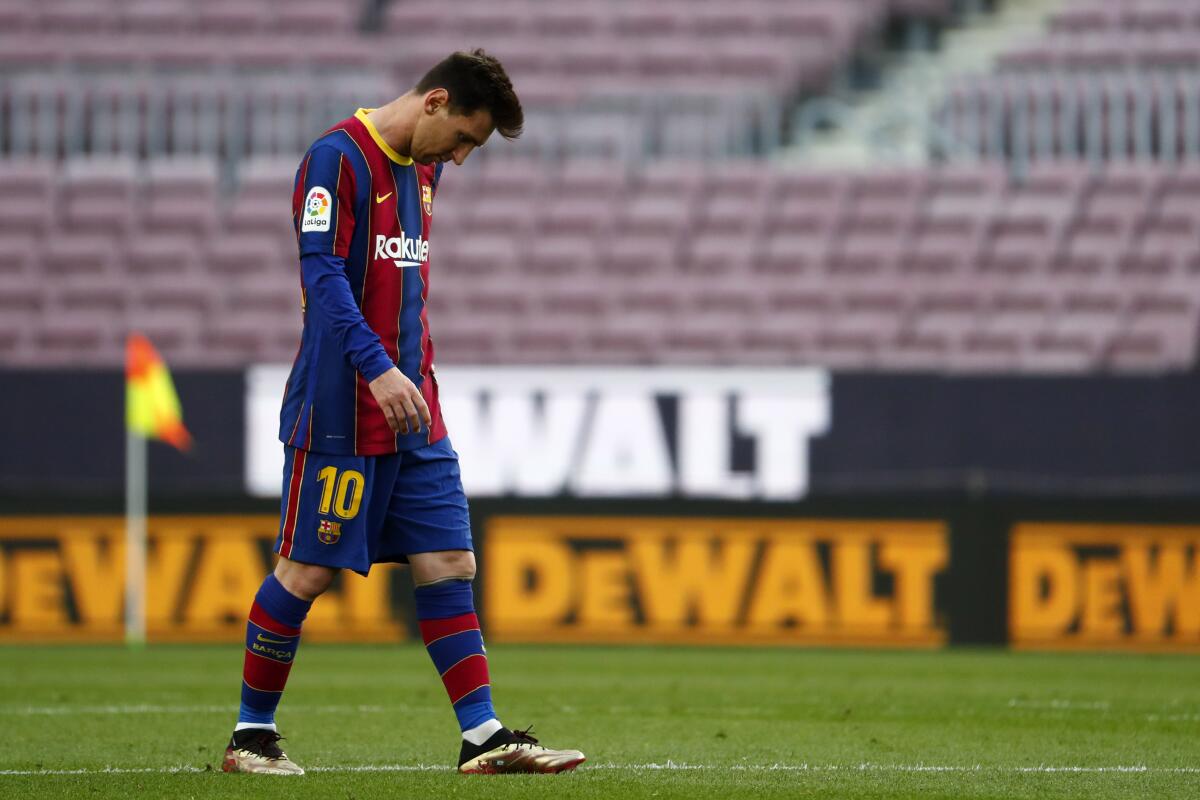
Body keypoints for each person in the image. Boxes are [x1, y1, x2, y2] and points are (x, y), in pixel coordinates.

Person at [221, 49, 585, 777]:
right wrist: (378, 367)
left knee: (451, 559)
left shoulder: (425, 167)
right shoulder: (335, 160)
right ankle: (250, 737)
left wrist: (403, 372)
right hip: (341, 409)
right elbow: (320, 277)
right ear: (434, 102)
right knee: (304, 573)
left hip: (416, 405)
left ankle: (482, 737)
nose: (461, 157)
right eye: (463, 139)